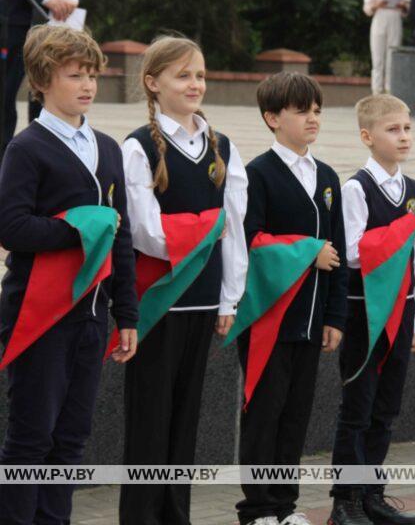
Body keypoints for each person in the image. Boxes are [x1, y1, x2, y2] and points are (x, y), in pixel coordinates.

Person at [0, 24, 138, 523]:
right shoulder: (27, 148)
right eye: (74, 75)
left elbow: (121, 235)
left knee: (72, 437)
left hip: (93, 313)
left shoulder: (107, 146)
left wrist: (128, 314)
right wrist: (82, 225)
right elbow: (12, 228)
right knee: (30, 436)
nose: (87, 85)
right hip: (39, 315)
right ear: (40, 80)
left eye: (92, 75)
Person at [119, 35, 248, 525]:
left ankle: (176, 516)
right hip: (157, 305)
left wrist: (229, 299)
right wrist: (208, 221)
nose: (195, 83)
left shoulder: (223, 147)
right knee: (148, 423)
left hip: (204, 303)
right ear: (154, 83)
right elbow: (147, 233)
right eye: (182, 75)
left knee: (184, 423)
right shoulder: (139, 146)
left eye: (200, 74)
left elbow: (235, 229)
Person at [236, 72, 347, 525]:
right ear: (272, 118)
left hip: (311, 318)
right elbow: (250, 241)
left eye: (317, 110)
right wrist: (307, 252)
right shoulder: (257, 174)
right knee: (264, 414)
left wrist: (335, 316)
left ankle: (285, 506)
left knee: (296, 416)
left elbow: (337, 251)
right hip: (269, 321)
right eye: (302, 111)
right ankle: (257, 509)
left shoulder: (327, 176)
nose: (312, 119)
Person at [328, 94, 415, 525]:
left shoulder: (414, 190)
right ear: (368, 137)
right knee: (358, 407)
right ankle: (344, 500)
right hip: (364, 313)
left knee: (386, 409)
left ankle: (373, 494)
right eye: (393, 129)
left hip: (402, 312)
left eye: (406, 128)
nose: (403, 136)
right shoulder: (356, 188)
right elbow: (351, 253)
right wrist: (401, 230)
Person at [1, 0, 85, 155]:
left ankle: (46, 154)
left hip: (59, 18)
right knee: (4, 93)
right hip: (14, 16)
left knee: (50, 91)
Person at [364, 0, 411, 95]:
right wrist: (377, 4)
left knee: (392, 56)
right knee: (377, 59)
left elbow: (407, 8)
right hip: (379, 19)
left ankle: (390, 91)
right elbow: (367, 8)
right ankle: (376, 91)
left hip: (395, 19)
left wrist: (402, 5)